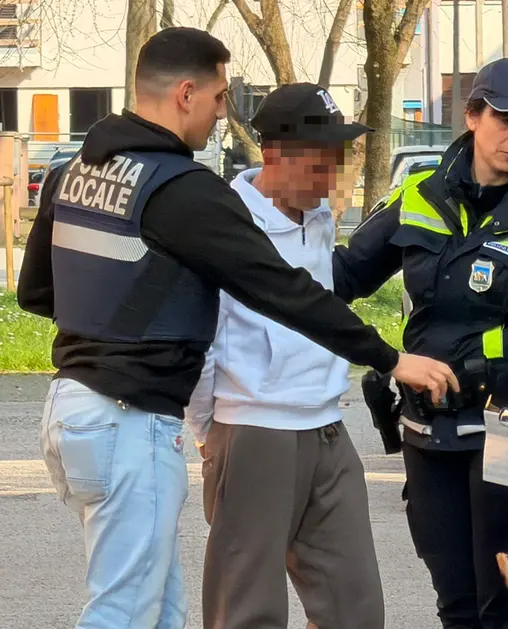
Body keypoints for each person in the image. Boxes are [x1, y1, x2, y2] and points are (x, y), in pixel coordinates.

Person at [17, 27, 457, 629]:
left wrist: (115, 319)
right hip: (131, 416)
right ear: (187, 93)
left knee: (158, 609)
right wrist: (389, 358)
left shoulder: (78, 170)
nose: (225, 112)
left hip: (76, 409)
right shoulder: (182, 189)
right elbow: (282, 291)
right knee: (125, 611)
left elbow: (37, 292)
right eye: (221, 97)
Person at [333, 57, 508, 629]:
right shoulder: (419, 196)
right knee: (454, 600)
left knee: (500, 604)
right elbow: (341, 277)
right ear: (472, 116)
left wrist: (488, 357)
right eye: (506, 120)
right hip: (428, 434)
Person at [184, 83, 385, 629]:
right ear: (273, 152)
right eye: (319, 160)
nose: (330, 175)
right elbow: (199, 335)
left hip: (326, 428)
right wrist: (210, 432)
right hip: (253, 428)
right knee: (247, 610)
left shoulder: (319, 216)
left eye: (337, 159)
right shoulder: (225, 220)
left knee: (357, 609)